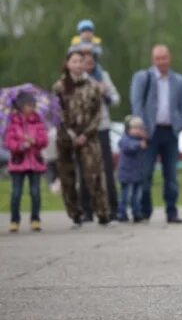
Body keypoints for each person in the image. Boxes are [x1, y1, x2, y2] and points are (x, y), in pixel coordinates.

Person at [52, 47, 111, 226]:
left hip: (88, 137)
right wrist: (69, 133)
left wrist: (85, 134)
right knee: (67, 176)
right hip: (66, 138)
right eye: (74, 62)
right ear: (68, 64)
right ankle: (75, 213)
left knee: (94, 175)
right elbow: (56, 112)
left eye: (81, 62)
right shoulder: (59, 87)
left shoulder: (92, 86)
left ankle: (102, 211)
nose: (78, 65)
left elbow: (97, 114)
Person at [130, 44, 182, 223]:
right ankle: (145, 210)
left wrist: (180, 124)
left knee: (171, 175)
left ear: (170, 58)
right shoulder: (143, 78)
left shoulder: (178, 80)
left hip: (170, 132)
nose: (161, 62)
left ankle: (172, 211)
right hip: (149, 133)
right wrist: (140, 128)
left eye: (164, 58)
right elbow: (136, 103)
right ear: (153, 60)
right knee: (145, 173)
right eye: (158, 58)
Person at [78, 43, 120, 218]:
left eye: (91, 61)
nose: (88, 64)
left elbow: (116, 99)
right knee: (85, 169)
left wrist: (106, 94)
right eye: (84, 61)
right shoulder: (76, 80)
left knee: (107, 169)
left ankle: (113, 207)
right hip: (85, 129)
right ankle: (87, 209)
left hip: (102, 126)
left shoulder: (104, 76)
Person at [3, 92, 48, 232]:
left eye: (33, 105)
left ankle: (35, 219)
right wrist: (21, 146)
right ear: (21, 106)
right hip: (18, 163)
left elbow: (44, 140)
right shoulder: (13, 123)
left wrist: (34, 141)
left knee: (35, 192)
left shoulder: (38, 122)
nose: (31, 108)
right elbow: (9, 142)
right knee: (16, 193)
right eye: (29, 105)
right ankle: (14, 220)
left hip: (35, 162)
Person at [116, 115, 148, 222]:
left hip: (138, 172)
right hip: (127, 172)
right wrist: (138, 144)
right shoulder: (125, 139)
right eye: (134, 128)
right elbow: (128, 147)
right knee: (125, 194)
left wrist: (144, 138)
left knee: (136, 195)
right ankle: (122, 213)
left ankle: (136, 213)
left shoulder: (141, 140)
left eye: (139, 128)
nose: (137, 131)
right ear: (128, 129)